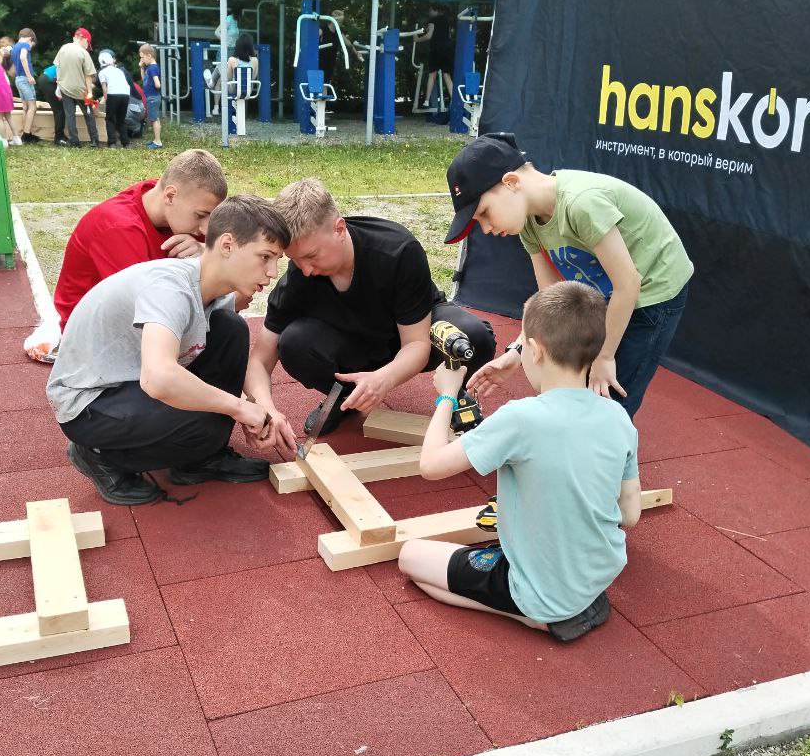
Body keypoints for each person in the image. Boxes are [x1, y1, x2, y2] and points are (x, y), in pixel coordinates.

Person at [398, 281, 640, 643]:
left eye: (521, 345)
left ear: (536, 350)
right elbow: (630, 515)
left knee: (411, 558)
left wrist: (446, 395)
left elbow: (431, 466)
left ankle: (530, 614)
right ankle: (560, 603)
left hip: (543, 591)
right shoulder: (618, 416)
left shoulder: (520, 417)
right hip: (597, 575)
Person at [47, 195, 292, 506]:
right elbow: (158, 378)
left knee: (231, 328)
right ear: (228, 245)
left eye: (276, 261)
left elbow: (232, 368)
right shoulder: (169, 288)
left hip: (129, 382)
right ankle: (99, 456)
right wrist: (239, 408)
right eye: (265, 257)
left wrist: (266, 409)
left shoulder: (211, 290)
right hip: (88, 404)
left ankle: (200, 459)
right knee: (207, 420)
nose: (272, 272)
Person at [445, 132, 694, 421]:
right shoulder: (529, 225)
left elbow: (629, 284)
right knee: (575, 379)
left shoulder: (581, 204)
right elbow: (550, 302)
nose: (486, 228)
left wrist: (604, 357)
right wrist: (516, 353)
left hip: (653, 290)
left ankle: (608, 441)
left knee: (610, 396)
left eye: (484, 213)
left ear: (511, 182)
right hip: (610, 290)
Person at [246, 179, 496, 450]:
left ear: (339, 229)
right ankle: (346, 398)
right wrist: (266, 410)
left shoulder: (398, 251)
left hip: (412, 331)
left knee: (473, 337)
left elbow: (416, 344)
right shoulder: (300, 276)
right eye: (295, 259)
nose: (305, 269)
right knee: (294, 343)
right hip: (355, 341)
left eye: (312, 256)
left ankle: (454, 398)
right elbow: (259, 359)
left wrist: (383, 379)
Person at [52, 148, 228, 332]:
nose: (206, 228)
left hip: (141, 321)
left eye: (212, 217)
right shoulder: (119, 228)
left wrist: (205, 251)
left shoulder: (177, 200)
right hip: (94, 334)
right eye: (201, 215)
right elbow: (149, 307)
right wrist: (209, 264)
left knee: (228, 324)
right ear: (170, 196)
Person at [55, 27, 99, 148]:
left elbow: (58, 68)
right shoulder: (83, 53)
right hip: (81, 90)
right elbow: (88, 75)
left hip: (65, 88)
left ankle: (74, 141)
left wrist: (59, 85)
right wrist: (90, 92)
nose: (87, 47)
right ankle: (94, 140)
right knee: (88, 114)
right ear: (83, 39)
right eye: (88, 43)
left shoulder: (63, 48)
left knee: (70, 115)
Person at [414, 4, 454, 110]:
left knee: (432, 75)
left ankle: (427, 100)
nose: (429, 12)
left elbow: (429, 35)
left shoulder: (432, 20)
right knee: (446, 75)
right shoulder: (447, 21)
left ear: (435, 11)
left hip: (436, 50)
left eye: (430, 10)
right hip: (447, 50)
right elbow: (449, 36)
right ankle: (454, 99)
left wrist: (417, 39)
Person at [96, 49, 131, 148]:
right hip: (125, 94)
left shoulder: (102, 72)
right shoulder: (119, 71)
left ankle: (112, 143)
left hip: (113, 94)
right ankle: (126, 143)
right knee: (121, 119)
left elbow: (105, 89)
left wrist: (104, 101)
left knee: (110, 119)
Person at [11, 28, 39, 143]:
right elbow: (23, 58)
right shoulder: (25, 45)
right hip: (24, 79)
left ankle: (26, 133)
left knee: (25, 107)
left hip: (18, 79)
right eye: (32, 44)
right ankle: (27, 135)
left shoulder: (14, 47)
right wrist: (29, 76)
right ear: (30, 38)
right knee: (33, 107)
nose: (31, 47)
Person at [139, 43, 162, 149]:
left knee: (154, 119)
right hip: (151, 97)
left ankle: (157, 142)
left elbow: (158, 84)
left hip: (153, 97)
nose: (142, 60)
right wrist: (141, 68)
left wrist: (154, 85)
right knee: (154, 118)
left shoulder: (153, 68)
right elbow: (144, 80)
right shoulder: (150, 67)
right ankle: (155, 139)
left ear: (149, 55)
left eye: (142, 58)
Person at [36, 63, 66, 145]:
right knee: (59, 110)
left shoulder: (68, 60)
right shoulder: (71, 64)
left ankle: (61, 136)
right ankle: (59, 138)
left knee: (59, 109)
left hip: (46, 78)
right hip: (47, 80)